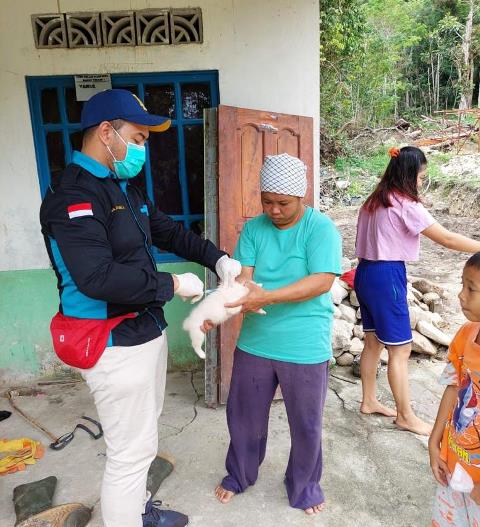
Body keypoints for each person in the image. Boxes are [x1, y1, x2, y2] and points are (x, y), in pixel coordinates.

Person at [39, 89, 241, 527]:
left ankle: (138, 510)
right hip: (110, 340)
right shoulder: (72, 196)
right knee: (129, 456)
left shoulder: (121, 188)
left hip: (144, 331)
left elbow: (167, 231)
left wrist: (218, 259)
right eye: (139, 137)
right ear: (106, 132)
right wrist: (171, 283)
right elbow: (98, 278)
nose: (143, 148)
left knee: (141, 442)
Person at [207, 153, 342, 514]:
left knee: (306, 424)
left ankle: (304, 486)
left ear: (302, 197)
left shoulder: (321, 229)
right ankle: (239, 475)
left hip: (304, 342)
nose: (274, 210)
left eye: (283, 203)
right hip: (257, 340)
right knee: (244, 417)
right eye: (267, 201)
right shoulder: (253, 229)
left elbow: (322, 281)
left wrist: (269, 296)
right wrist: (223, 306)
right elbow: (244, 279)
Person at [354, 146, 480, 436]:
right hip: (387, 276)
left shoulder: (373, 201)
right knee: (401, 349)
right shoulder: (405, 204)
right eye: (421, 175)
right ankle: (405, 416)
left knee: (372, 342)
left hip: (364, 273)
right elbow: (446, 238)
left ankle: (369, 400)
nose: (422, 181)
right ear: (410, 174)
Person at [429, 253, 480, 526]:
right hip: (454, 464)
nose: (461, 295)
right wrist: (434, 441)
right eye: (462, 285)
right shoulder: (464, 335)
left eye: (471, 288)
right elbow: (452, 387)